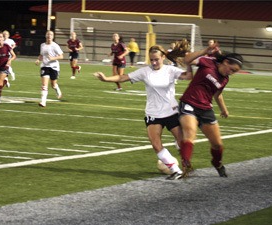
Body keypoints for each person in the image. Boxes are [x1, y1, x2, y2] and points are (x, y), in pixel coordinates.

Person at [94, 43, 193, 180]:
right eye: (151, 59)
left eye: (156, 59)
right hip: (153, 113)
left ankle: (186, 165)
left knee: (182, 142)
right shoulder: (145, 71)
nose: (153, 62)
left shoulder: (170, 70)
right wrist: (106, 79)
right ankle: (175, 170)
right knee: (155, 144)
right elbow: (124, 77)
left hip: (171, 112)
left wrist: (188, 63)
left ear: (163, 57)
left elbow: (188, 76)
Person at [178, 42, 243, 178]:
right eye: (231, 69)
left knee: (217, 145)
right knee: (190, 133)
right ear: (225, 62)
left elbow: (217, 95)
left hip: (206, 109)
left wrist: (224, 109)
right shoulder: (208, 61)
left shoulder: (225, 79)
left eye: (234, 72)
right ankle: (186, 164)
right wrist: (205, 51)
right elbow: (187, 59)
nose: (231, 73)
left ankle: (217, 163)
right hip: (189, 102)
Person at [35, 30, 64, 107]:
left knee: (53, 84)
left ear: (53, 36)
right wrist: (38, 59)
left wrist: (53, 58)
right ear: (45, 35)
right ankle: (43, 102)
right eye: (48, 34)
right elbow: (41, 55)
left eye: (51, 34)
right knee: (44, 85)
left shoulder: (55, 46)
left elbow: (61, 56)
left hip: (54, 67)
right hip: (45, 66)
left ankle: (57, 89)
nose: (49, 36)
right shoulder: (42, 45)